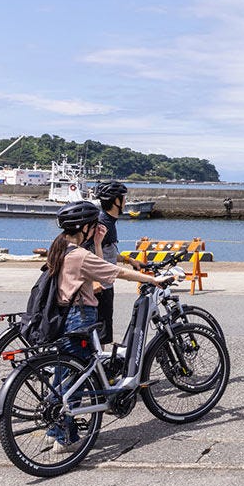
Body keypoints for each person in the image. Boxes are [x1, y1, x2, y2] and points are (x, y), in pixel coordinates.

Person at [45, 201, 163, 454]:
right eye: (92, 227)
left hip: (63, 316)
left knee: (63, 375)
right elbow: (113, 273)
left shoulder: (59, 248)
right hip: (81, 316)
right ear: (85, 227)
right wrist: (153, 279)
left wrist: (97, 244)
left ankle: (54, 429)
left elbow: (97, 274)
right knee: (76, 379)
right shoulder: (79, 255)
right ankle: (66, 438)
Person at [90, 181, 143, 348]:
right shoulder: (103, 223)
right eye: (123, 198)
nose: (126, 201)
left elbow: (108, 251)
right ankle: (95, 370)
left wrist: (129, 260)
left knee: (102, 329)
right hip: (100, 285)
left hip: (105, 282)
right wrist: (94, 281)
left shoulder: (108, 221)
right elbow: (89, 253)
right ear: (116, 201)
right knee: (100, 330)